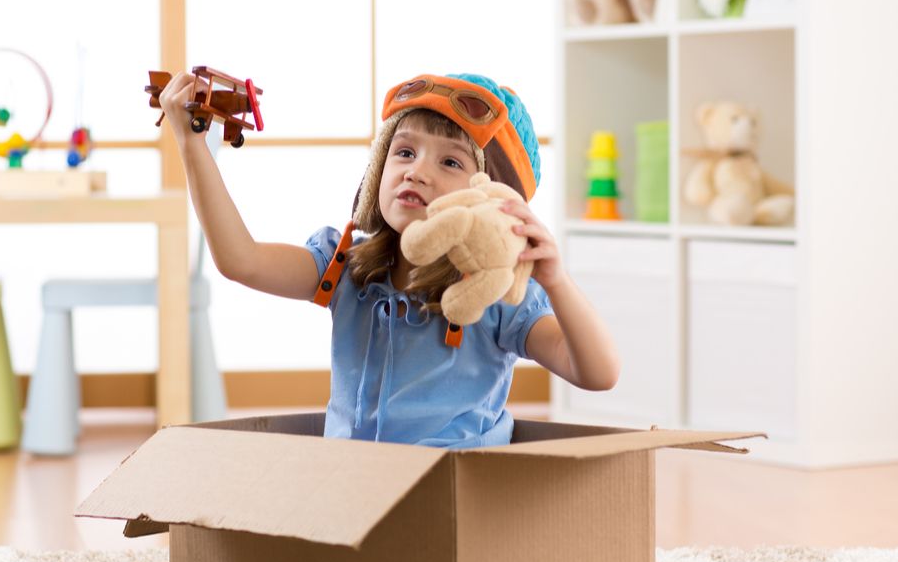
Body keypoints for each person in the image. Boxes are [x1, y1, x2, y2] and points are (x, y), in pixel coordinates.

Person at [159, 72, 619, 448]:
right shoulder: (344, 265)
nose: (417, 170)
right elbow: (243, 261)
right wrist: (191, 144)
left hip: (455, 492)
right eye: (404, 152)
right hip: (351, 485)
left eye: (451, 163)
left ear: (492, 197)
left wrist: (556, 281)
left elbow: (597, 373)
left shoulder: (499, 294)